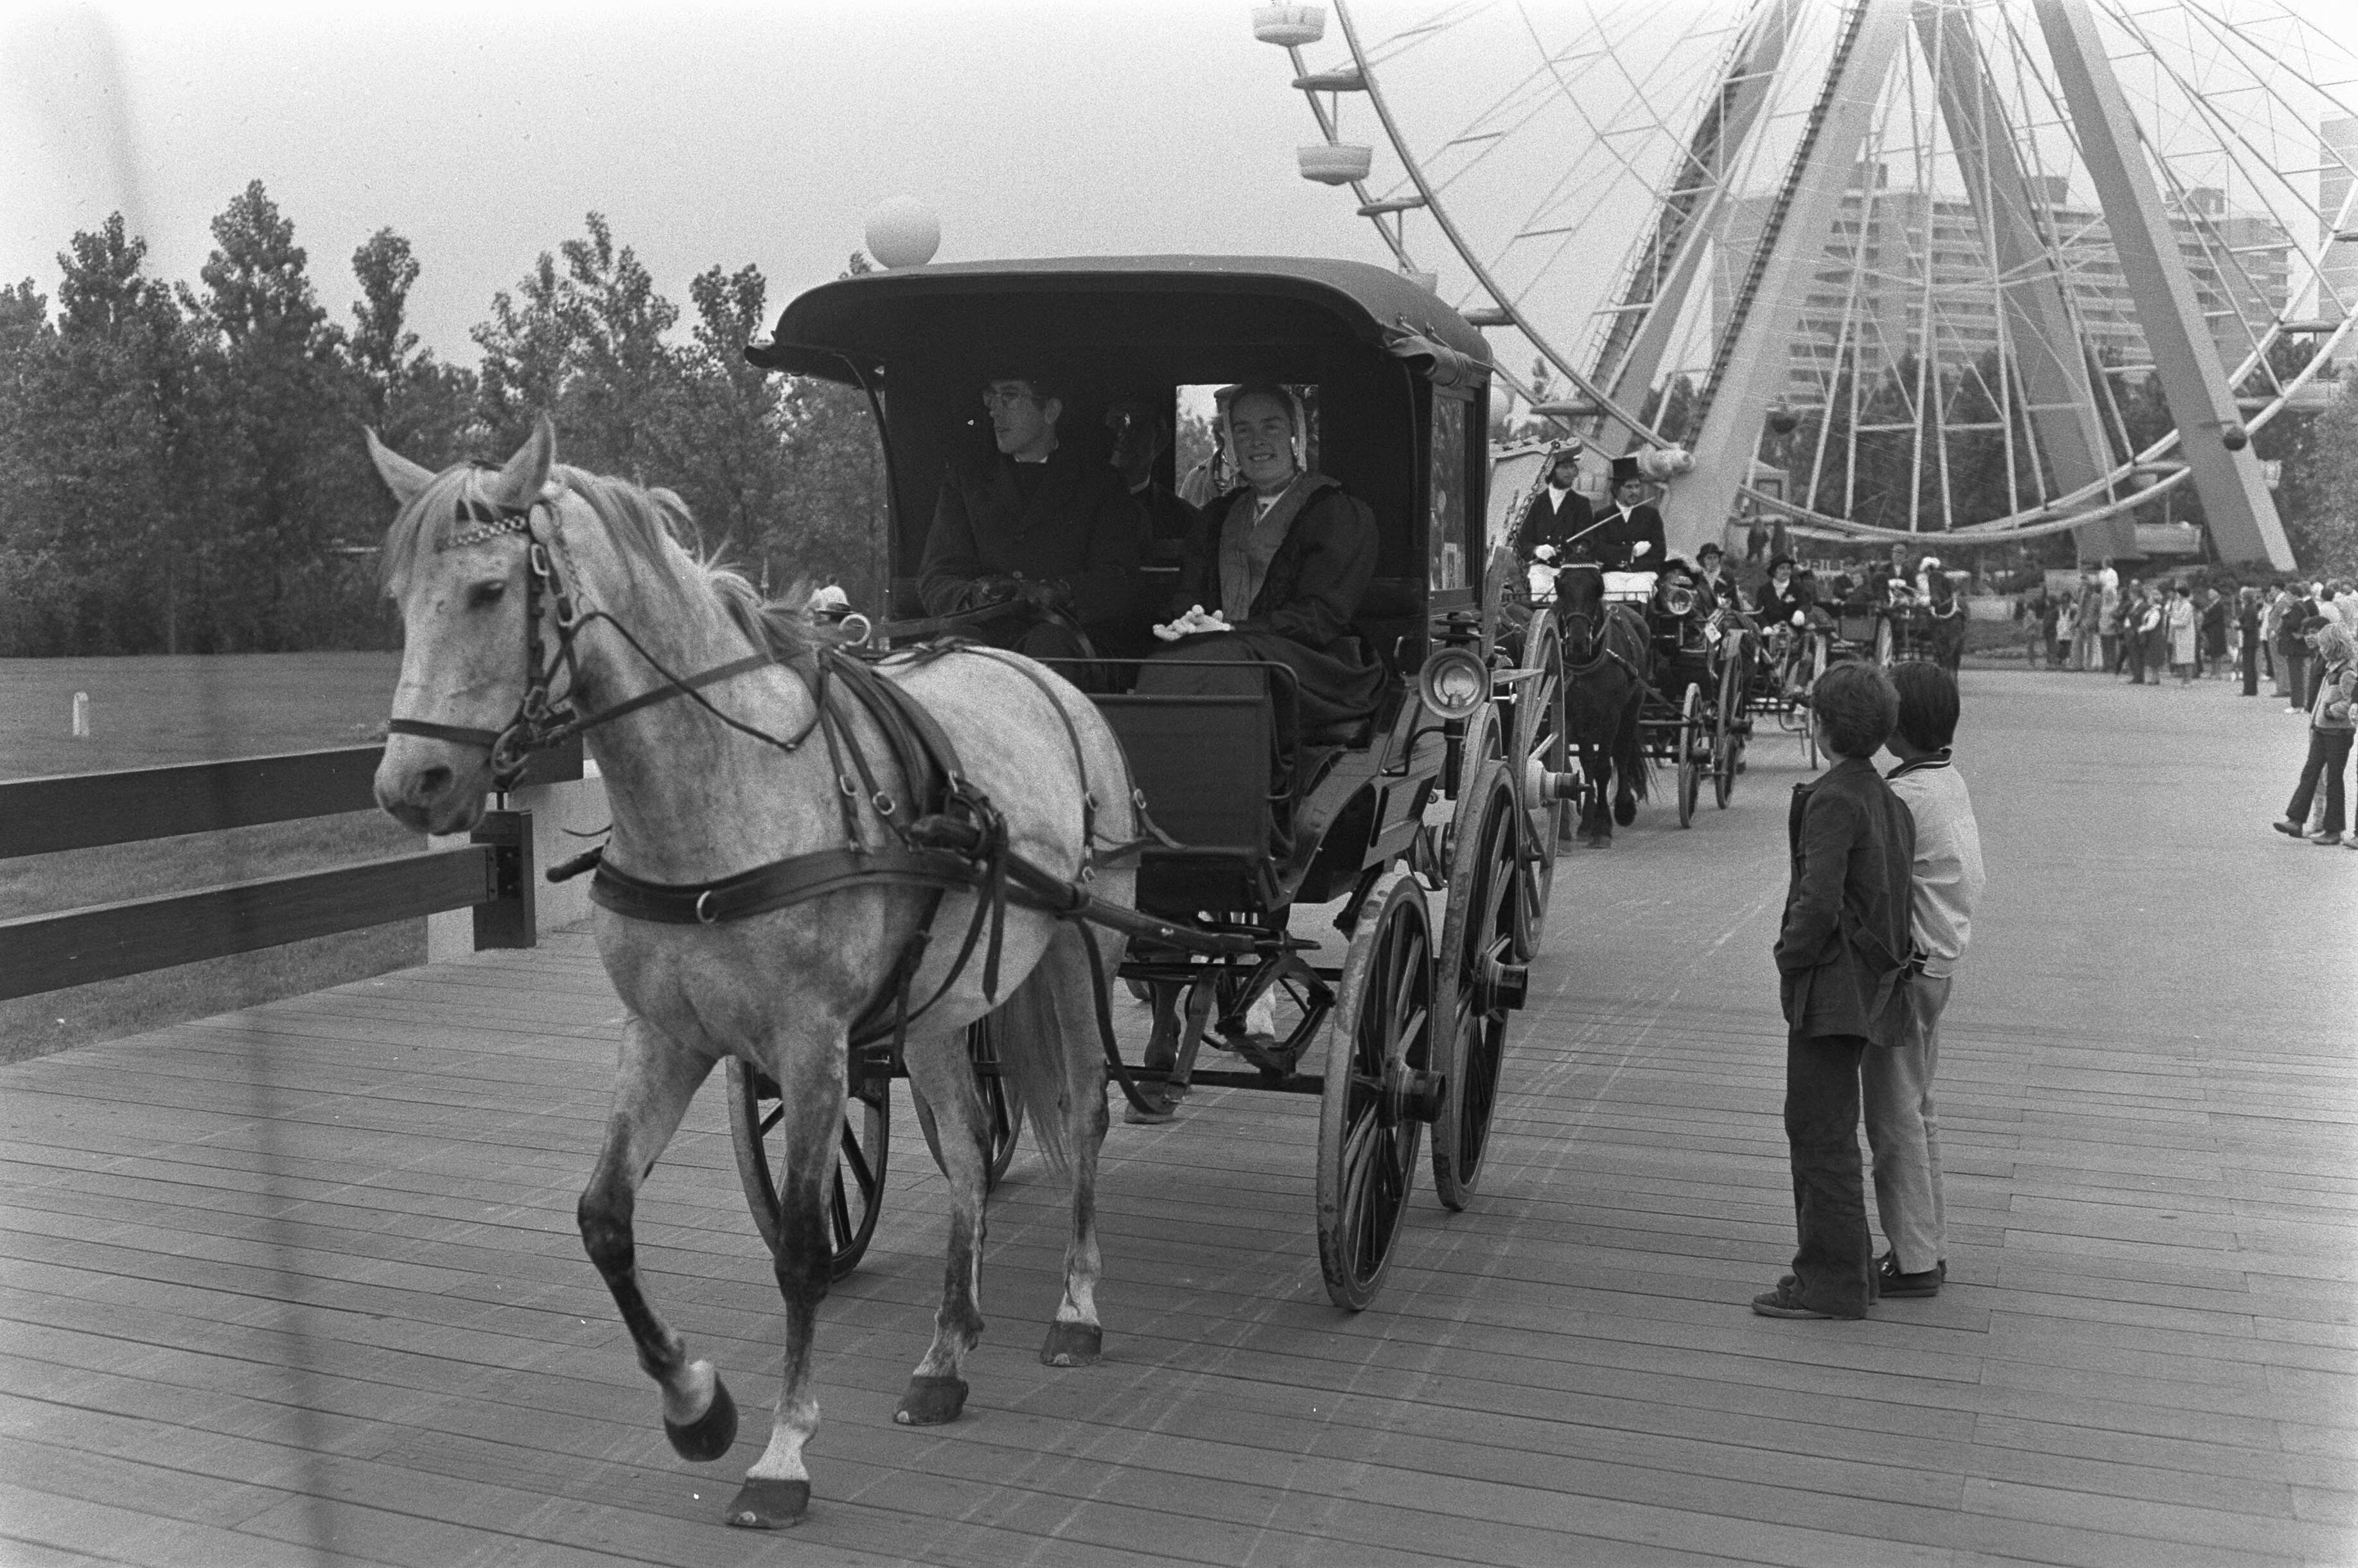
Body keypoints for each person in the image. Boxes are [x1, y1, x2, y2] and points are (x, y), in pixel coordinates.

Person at [1756, 662, 1915, 1321]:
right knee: (1830, 1127)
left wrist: (1787, 957)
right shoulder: (1889, 800)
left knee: (1816, 1130)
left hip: (1830, 987)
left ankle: (1831, 1280)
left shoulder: (1832, 798)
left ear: (1820, 727)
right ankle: (1846, 1269)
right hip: (1873, 986)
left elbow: (1815, 900)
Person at [1141, 383, 1383, 737]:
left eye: (1271, 427)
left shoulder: (1335, 512)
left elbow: (1320, 618)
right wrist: (1188, 622)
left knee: (1217, 665)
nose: (1257, 440)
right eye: (1243, 430)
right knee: (1161, 664)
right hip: (1224, 652)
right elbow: (1189, 595)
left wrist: (1230, 631)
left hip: (1311, 667)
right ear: (1231, 443)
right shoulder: (1216, 516)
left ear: (1294, 435)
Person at [1863, 664, 1985, 1301]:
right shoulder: (1945, 781)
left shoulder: (1902, 797)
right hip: (1937, 963)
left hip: (1905, 974)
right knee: (1916, 1107)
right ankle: (1925, 1241)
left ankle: (1912, 1259)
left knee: (1891, 1117)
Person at [918, 372, 1145, 673]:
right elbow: (938, 575)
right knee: (956, 653)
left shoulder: (1100, 484)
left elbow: (1119, 579)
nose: (995, 410)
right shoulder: (966, 481)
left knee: (1048, 648)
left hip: (1069, 638)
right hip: (986, 634)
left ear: (1051, 411)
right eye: (992, 397)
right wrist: (977, 596)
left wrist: (1062, 592)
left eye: (1010, 396)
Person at [2272, 619, 2355, 847]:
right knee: (2310, 773)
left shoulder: (2346, 671)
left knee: (2333, 781)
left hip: (2338, 732)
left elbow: (2349, 702)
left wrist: (2329, 712)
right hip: (2322, 730)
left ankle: (2334, 829)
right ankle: (2295, 819)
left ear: (2333, 645)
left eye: (2323, 645)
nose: (2320, 649)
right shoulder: (2332, 666)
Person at [1105, 398, 1199, 560]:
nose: (1123, 435)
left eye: (1137, 426)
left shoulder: (1188, 522)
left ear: (1161, 441)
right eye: (1116, 423)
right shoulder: (1067, 509)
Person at [1513, 444, 1597, 568]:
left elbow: (1587, 540)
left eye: (1572, 467)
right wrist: (1536, 550)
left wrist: (1574, 552)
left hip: (1570, 569)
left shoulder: (1582, 504)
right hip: (1539, 568)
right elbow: (1522, 542)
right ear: (1551, 470)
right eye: (1564, 467)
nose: (1570, 472)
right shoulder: (1535, 503)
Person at [1594, 455, 1667, 571]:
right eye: (1629, 487)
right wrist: (1631, 552)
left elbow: (1659, 552)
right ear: (1617, 489)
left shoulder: (1651, 515)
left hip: (1643, 574)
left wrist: (1633, 568)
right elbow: (1600, 550)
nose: (1634, 492)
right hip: (1612, 573)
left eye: (1637, 487)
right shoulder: (1603, 516)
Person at [2165, 583, 2197, 686]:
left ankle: (2189, 680)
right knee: (2180, 658)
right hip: (2179, 635)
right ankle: (2183, 679)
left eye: (2178, 593)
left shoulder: (2188, 606)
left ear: (2182, 594)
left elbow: (2185, 622)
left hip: (2187, 635)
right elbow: (2176, 615)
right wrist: (2171, 615)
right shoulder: (2177, 605)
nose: (2176, 595)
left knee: (2187, 658)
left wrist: (2173, 622)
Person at [1696, 542, 1742, 613]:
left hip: (1723, 618)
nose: (1713, 561)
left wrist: (1727, 604)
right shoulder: (1697, 578)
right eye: (1709, 558)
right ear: (1703, 561)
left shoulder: (1727, 578)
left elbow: (1736, 606)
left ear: (1719, 559)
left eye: (1715, 557)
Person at [2239, 586, 2264, 697]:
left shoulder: (2249, 609)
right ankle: (2252, 689)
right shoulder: (2252, 608)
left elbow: (2248, 626)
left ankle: (2248, 689)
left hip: (2249, 640)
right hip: (2252, 639)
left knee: (2248, 665)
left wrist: (2238, 626)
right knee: (2250, 665)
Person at [2199, 587, 2228, 679]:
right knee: (2213, 652)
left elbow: (2214, 619)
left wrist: (2203, 626)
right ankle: (2213, 672)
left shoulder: (2219, 605)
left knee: (2218, 653)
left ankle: (2218, 673)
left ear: (2215, 595)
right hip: (2211, 632)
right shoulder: (2211, 605)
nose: (2209, 596)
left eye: (2210, 594)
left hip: (2217, 632)